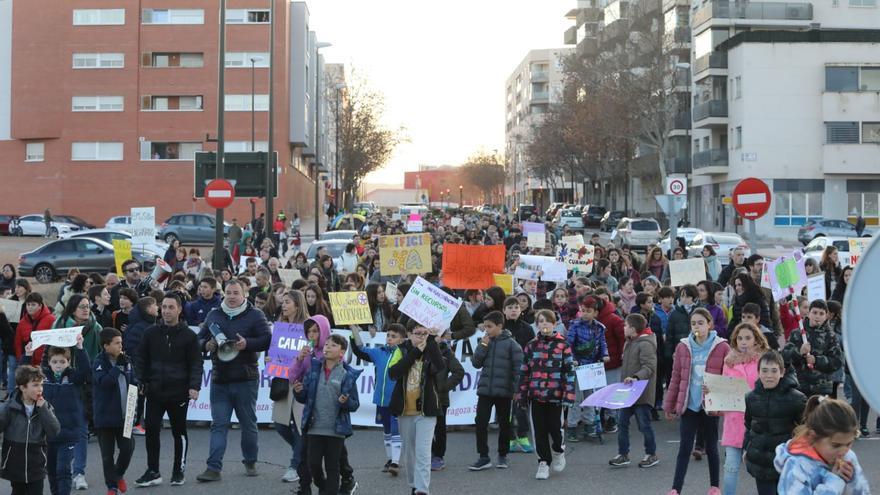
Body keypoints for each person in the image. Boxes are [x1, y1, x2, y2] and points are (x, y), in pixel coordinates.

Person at [196, 280, 272, 482]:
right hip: (220, 379)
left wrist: (248, 344)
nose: (231, 296)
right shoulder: (214, 314)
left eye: (235, 293)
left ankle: (250, 461)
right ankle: (213, 468)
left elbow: (267, 339)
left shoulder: (255, 314)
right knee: (218, 425)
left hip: (246, 379)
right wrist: (206, 345)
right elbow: (198, 340)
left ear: (244, 294)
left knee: (248, 424)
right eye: (228, 292)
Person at [133, 293, 202, 487]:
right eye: (163, 307)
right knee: (152, 430)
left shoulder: (189, 335)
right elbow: (141, 358)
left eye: (171, 307)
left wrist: (194, 386)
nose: (166, 311)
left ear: (179, 310)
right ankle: (153, 470)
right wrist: (142, 381)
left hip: (179, 392)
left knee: (179, 432)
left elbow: (196, 363)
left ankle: (178, 470)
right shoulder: (150, 333)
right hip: (154, 391)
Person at [664, 308, 731, 495]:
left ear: (710, 324)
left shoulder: (722, 347)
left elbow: (728, 377)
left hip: (710, 405)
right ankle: (675, 489)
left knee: (711, 446)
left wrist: (716, 390)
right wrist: (669, 405)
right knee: (685, 447)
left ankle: (714, 487)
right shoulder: (683, 346)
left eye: (701, 323)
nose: (697, 327)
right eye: (693, 323)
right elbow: (676, 377)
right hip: (689, 405)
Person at [292, 334, 361, 495]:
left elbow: (354, 404)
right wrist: (298, 392)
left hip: (335, 430)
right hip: (314, 427)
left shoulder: (347, 375)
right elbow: (304, 397)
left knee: (332, 466)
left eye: (333, 345)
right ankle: (324, 487)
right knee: (313, 465)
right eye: (327, 345)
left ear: (342, 352)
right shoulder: (313, 370)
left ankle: (329, 491)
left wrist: (345, 401)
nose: (328, 347)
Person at [388, 319, 447, 495]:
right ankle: (414, 485)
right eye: (417, 333)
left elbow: (440, 366)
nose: (420, 337)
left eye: (424, 333)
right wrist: (414, 352)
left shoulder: (432, 349)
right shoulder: (401, 350)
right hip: (405, 410)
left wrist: (432, 341)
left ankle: (422, 489)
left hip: (426, 411)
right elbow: (393, 373)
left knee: (423, 452)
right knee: (410, 453)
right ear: (409, 334)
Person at [516, 309, 574, 480]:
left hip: (556, 396)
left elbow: (569, 372)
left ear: (554, 324)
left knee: (555, 430)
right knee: (539, 431)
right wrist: (521, 394)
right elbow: (524, 371)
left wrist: (568, 395)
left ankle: (558, 451)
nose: (544, 324)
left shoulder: (563, 344)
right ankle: (543, 462)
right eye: (540, 321)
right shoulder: (531, 345)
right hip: (536, 396)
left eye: (547, 321)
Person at [714, 323, 769, 495]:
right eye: (740, 338)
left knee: (762, 471)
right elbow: (723, 391)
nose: (743, 342)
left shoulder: (763, 361)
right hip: (734, 421)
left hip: (757, 423)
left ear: (756, 340)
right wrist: (712, 393)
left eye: (747, 338)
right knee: (730, 468)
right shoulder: (729, 362)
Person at [742, 350, 807, 495]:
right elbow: (748, 425)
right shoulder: (751, 398)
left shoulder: (796, 399)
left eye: (774, 371)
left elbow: (806, 429)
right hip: (761, 464)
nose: (769, 375)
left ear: (782, 372)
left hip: (786, 464)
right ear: (758, 372)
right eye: (764, 370)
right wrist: (746, 448)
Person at [775, 397, 870, 494]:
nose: (843, 451)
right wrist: (834, 482)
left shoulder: (848, 456)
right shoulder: (798, 466)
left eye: (849, 443)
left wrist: (852, 480)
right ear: (813, 436)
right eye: (836, 445)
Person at [469, 310, 523, 471]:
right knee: (480, 422)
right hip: (485, 390)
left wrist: (515, 390)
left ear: (499, 326)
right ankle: (483, 456)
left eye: (490, 326)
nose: (486, 330)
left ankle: (503, 454)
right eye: (485, 326)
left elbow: (517, 369)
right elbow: (476, 363)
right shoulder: (485, 342)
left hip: (504, 392)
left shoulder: (512, 345)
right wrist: (482, 346)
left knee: (504, 424)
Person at [350, 323, 404, 476]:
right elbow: (360, 350)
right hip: (381, 399)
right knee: (386, 429)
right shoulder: (379, 352)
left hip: (396, 400)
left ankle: (395, 462)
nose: (390, 338)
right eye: (388, 335)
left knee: (395, 429)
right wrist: (354, 331)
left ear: (402, 339)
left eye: (394, 336)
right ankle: (389, 459)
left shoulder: (404, 353)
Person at [0, 364, 61, 495]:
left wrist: (43, 409)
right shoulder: (10, 406)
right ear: (23, 387)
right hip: (15, 462)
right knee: (18, 492)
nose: (40, 389)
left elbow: (54, 431)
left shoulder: (45, 407)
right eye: (35, 385)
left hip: (36, 463)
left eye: (41, 385)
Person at [609, 313, 660, 469]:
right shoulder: (629, 342)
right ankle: (623, 454)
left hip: (641, 392)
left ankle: (651, 454)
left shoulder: (645, 344)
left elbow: (649, 367)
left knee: (644, 425)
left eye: (625, 325)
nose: (623, 328)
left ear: (633, 328)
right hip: (627, 391)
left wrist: (636, 378)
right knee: (622, 422)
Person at [93, 328, 135, 495]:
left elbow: (133, 380)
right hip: (106, 417)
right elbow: (104, 382)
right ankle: (111, 486)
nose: (120, 346)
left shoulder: (126, 360)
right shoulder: (99, 362)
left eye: (121, 343)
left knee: (128, 448)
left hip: (126, 415)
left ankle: (118, 475)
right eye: (117, 343)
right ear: (106, 346)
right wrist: (117, 367)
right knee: (107, 456)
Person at [566, 295, 609, 441]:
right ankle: (572, 426)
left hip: (592, 367)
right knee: (576, 398)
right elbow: (569, 344)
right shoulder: (575, 326)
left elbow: (603, 343)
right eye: (583, 310)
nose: (585, 313)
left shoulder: (599, 328)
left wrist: (605, 355)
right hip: (578, 367)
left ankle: (589, 424)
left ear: (595, 313)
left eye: (588, 311)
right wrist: (573, 359)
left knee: (591, 397)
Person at [783, 300, 843, 398]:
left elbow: (838, 361)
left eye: (821, 313)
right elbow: (784, 359)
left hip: (821, 389)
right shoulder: (797, 334)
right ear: (809, 313)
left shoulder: (830, 336)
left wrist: (817, 360)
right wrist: (799, 352)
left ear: (826, 316)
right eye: (814, 312)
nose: (817, 316)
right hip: (798, 387)